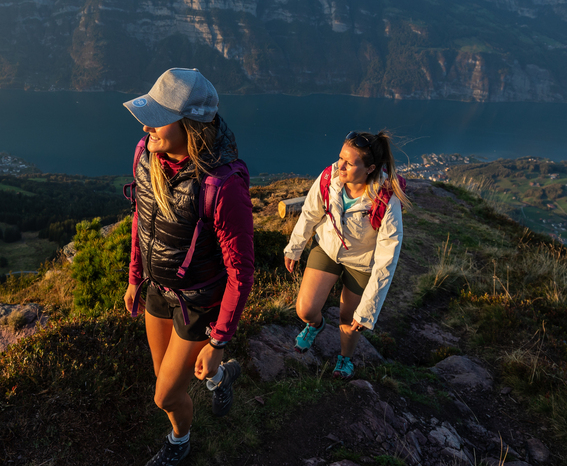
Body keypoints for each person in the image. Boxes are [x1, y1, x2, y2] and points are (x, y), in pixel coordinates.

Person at [122, 68, 255, 466]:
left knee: (165, 395)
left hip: (197, 303)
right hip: (157, 291)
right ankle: (221, 378)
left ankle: (179, 442)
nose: (147, 126)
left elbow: (241, 272)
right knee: (170, 379)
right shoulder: (146, 154)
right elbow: (141, 219)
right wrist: (134, 278)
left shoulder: (223, 185)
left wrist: (218, 341)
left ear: (190, 124)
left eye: (159, 117)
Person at [283, 131, 410, 379]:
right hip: (328, 249)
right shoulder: (330, 177)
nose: (339, 165)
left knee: (350, 319)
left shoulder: (386, 198)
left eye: (349, 163)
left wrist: (369, 310)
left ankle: (345, 359)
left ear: (370, 168)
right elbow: (310, 212)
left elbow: (387, 257)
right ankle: (316, 325)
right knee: (305, 310)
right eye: (340, 157)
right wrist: (294, 248)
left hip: (361, 263)